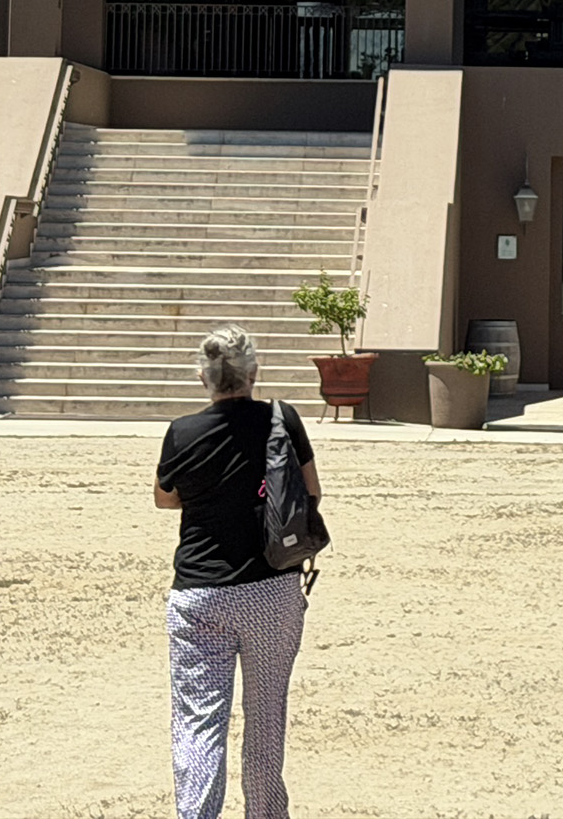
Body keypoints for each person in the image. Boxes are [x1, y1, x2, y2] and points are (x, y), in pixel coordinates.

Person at [154, 325, 318, 819]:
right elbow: (311, 491)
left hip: (201, 591)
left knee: (199, 722)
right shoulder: (281, 419)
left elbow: (165, 498)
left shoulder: (182, 431)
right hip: (271, 587)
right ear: (253, 373)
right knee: (267, 717)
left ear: (203, 378)